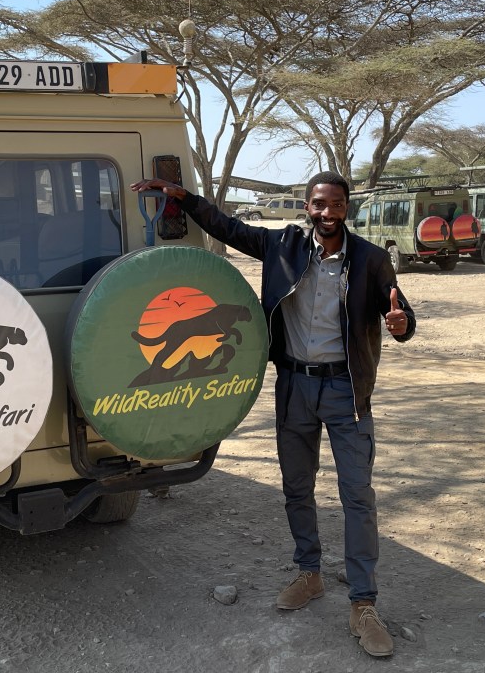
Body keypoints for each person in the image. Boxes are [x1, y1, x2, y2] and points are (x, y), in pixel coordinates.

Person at [132, 172, 416, 658]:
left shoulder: (371, 259)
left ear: (347, 209)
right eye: (319, 204)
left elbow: (400, 314)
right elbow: (229, 228)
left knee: (357, 496)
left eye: (337, 205)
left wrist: (401, 324)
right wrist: (186, 198)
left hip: (346, 392)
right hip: (294, 387)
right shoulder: (282, 246)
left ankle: (363, 604)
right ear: (307, 207)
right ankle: (309, 574)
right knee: (296, 488)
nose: (328, 213)